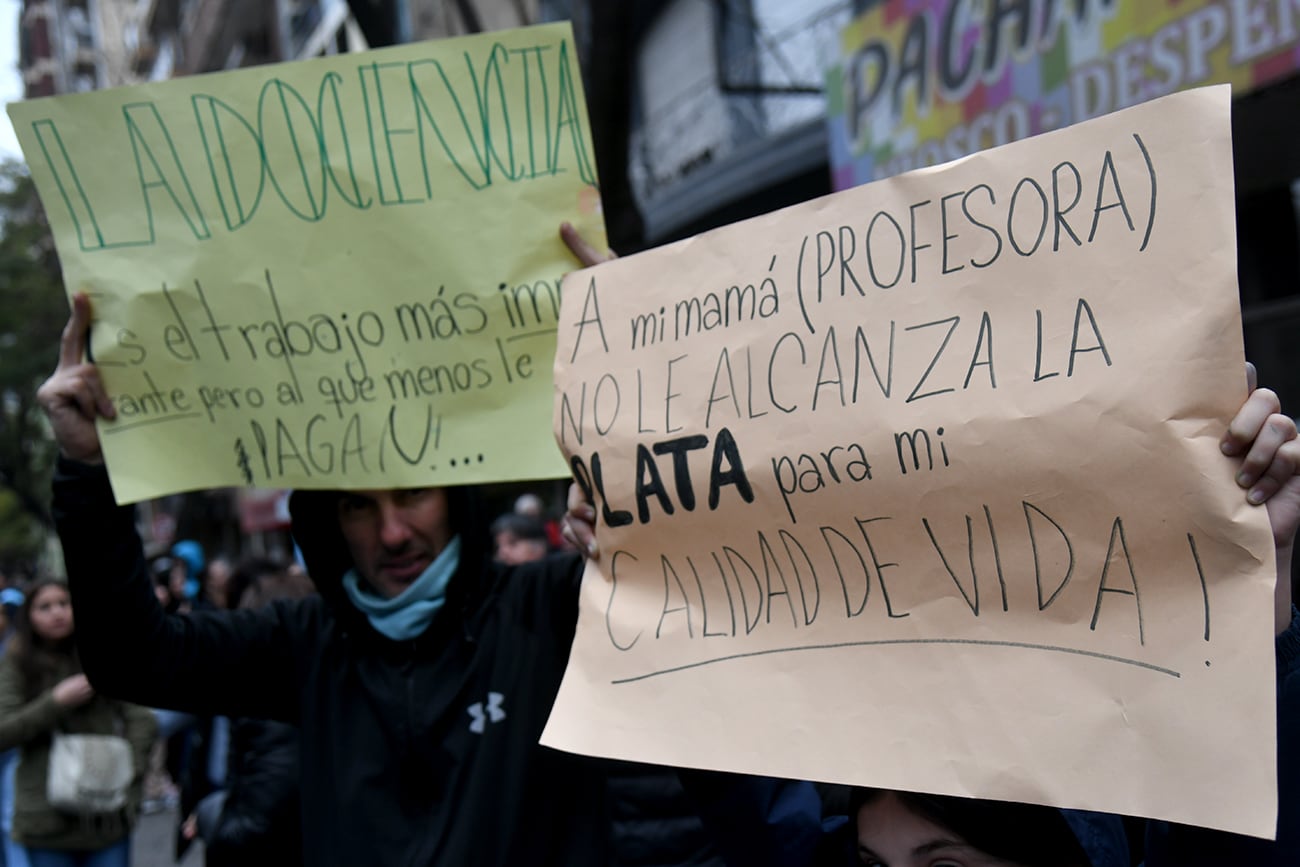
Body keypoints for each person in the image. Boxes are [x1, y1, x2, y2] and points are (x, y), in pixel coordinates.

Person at [35, 229, 637, 865]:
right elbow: (133, 659)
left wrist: (641, 360)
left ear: (455, 496)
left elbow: (698, 588)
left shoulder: (546, 609)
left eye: (412, 495)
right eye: (358, 506)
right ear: (329, 521)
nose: (394, 532)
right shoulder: (304, 643)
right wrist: (87, 472)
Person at [0, 579, 156, 867]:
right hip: (44, 818)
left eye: (64, 603)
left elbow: (142, 719)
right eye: (44, 607)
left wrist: (129, 778)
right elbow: (4, 731)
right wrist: (56, 702)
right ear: (28, 615)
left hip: (106, 812)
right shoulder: (17, 658)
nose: (57, 613)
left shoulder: (102, 650)